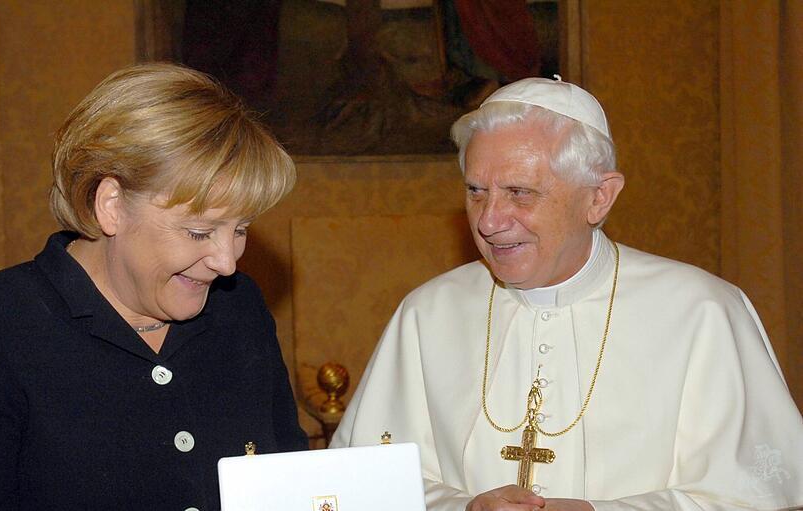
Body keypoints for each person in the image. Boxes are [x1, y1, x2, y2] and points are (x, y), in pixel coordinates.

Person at [330, 76, 803, 510]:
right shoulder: (428, 313)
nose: (489, 221)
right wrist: (462, 508)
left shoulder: (703, 312)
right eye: (476, 191)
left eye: (519, 193)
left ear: (599, 197)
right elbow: (359, 484)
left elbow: (757, 494)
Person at [0, 63, 307, 510]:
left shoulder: (240, 309)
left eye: (241, 229)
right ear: (111, 205)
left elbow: (287, 482)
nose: (227, 263)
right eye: (199, 232)